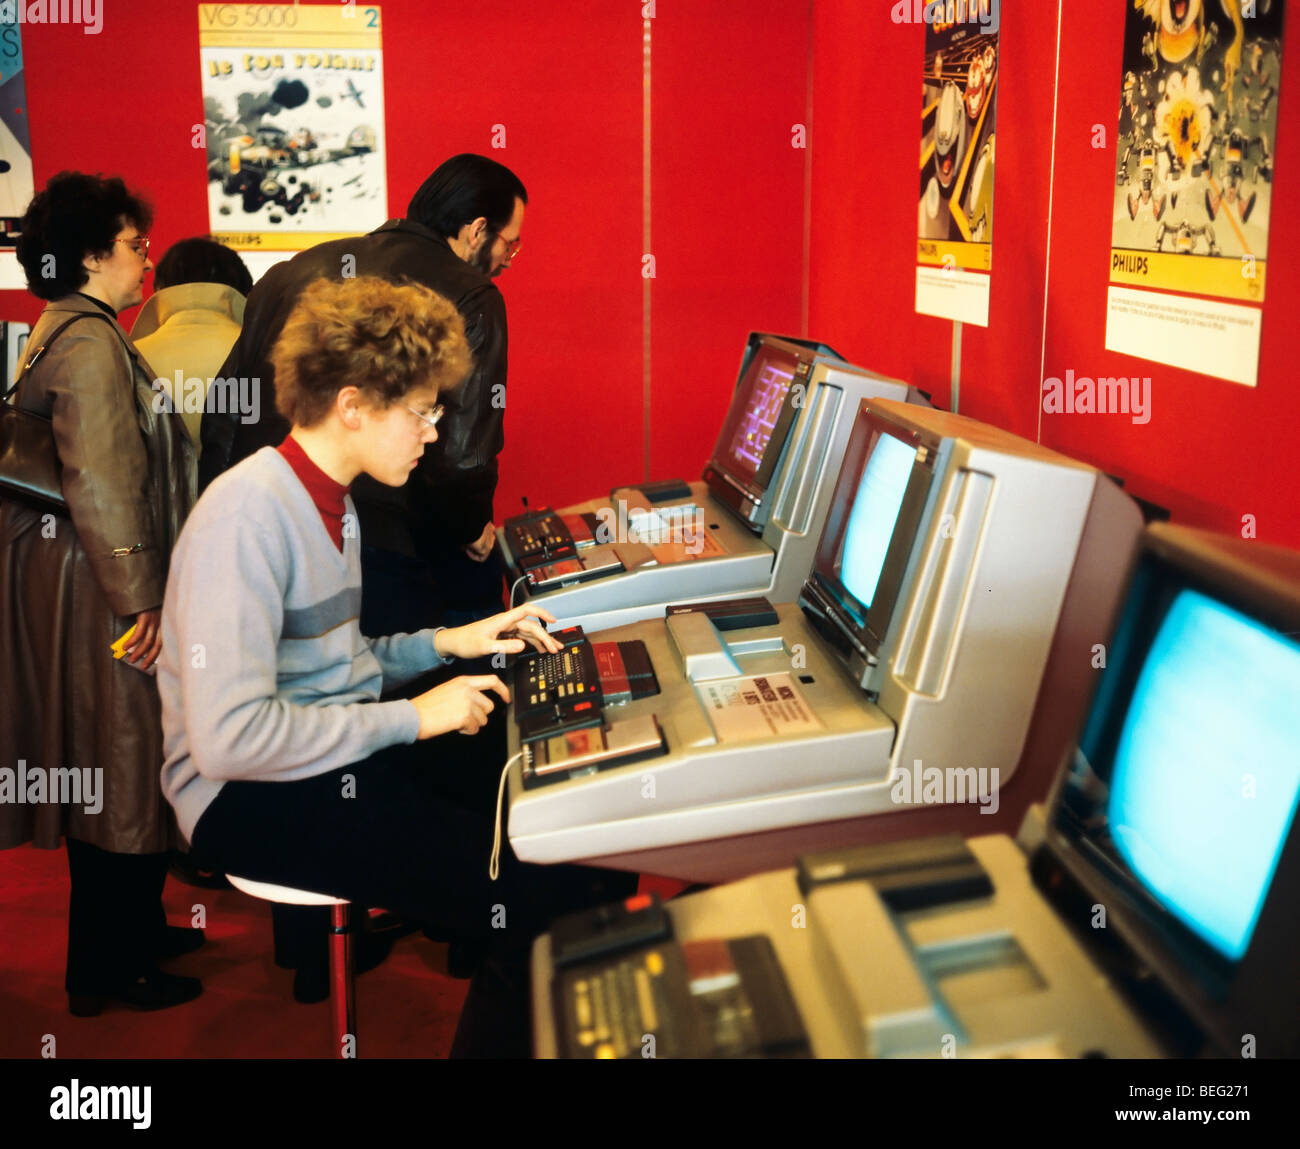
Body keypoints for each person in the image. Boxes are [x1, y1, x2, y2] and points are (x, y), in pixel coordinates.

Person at [160, 276, 634, 1056]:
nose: (434, 432)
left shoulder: (333, 501)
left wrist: (453, 642)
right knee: (539, 897)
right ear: (352, 406)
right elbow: (228, 740)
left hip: (324, 751)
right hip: (239, 798)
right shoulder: (244, 517)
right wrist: (419, 714)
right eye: (420, 410)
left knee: (576, 829)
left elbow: (343, 664)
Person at [0, 172, 202, 1015]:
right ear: (89, 256)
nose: (146, 260)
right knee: (119, 766)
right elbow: (107, 481)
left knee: (108, 764)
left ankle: (134, 932)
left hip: (76, 577)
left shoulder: (63, 329)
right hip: (100, 587)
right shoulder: (88, 344)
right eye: (133, 245)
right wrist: (140, 600)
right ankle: (107, 968)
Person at [200, 153, 526, 635]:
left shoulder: (295, 270)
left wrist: (218, 517)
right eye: (510, 245)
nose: (507, 260)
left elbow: (226, 410)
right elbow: (461, 456)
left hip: (280, 533)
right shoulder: (472, 295)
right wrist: (471, 527)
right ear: (478, 230)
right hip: (399, 549)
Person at [130, 237, 253, 452]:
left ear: (160, 288)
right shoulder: (266, 354)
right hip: (246, 484)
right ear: (244, 291)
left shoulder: (128, 357)